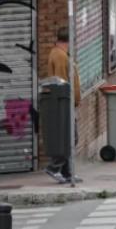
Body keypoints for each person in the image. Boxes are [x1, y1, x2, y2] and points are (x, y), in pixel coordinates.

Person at [43, 28, 72, 183]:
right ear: (68, 40)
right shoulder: (60, 56)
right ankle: (54, 167)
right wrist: (69, 99)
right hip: (64, 101)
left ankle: (67, 173)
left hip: (64, 100)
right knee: (68, 137)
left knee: (67, 136)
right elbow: (62, 81)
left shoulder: (59, 53)